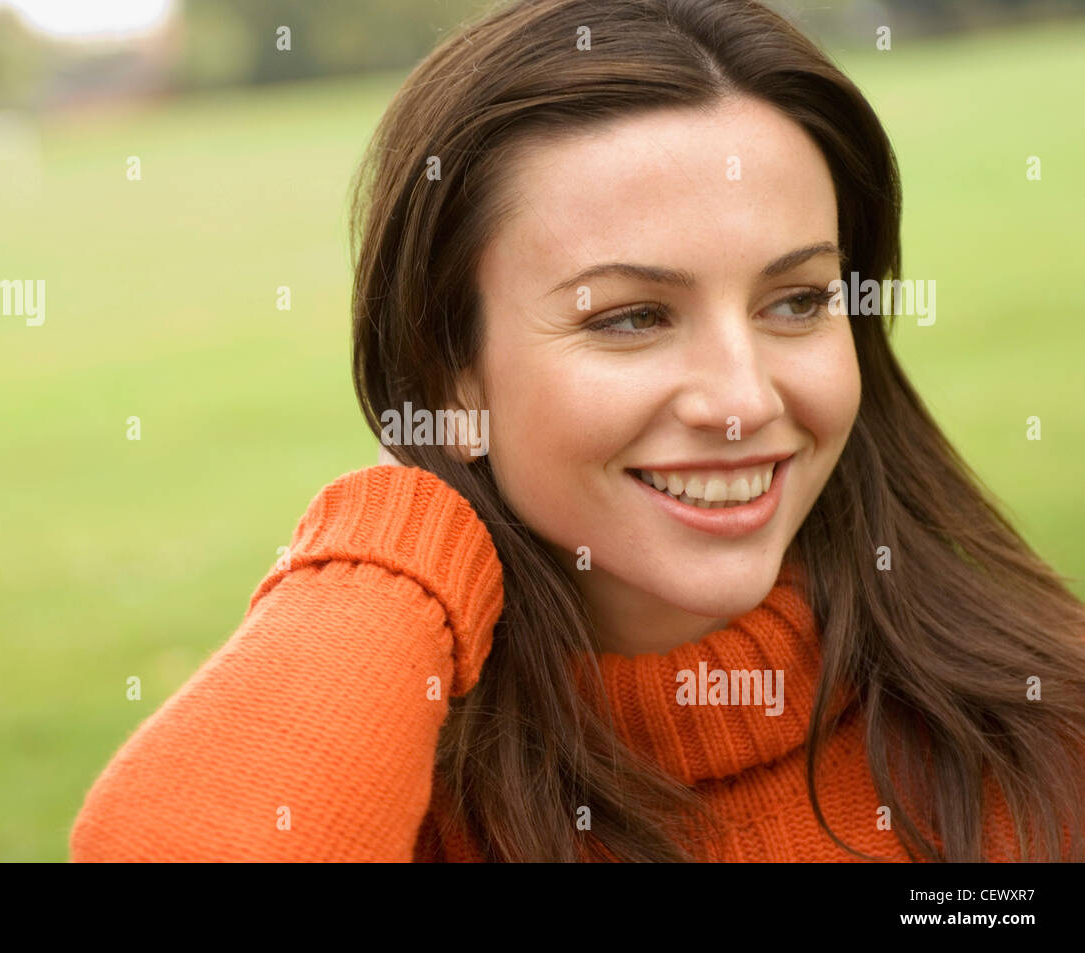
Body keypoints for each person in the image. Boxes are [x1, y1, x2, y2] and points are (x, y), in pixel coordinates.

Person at [69, 0, 1085, 862]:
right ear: (444, 365)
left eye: (795, 301)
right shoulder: (399, 798)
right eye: (631, 317)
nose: (741, 399)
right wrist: (407, 522)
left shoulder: (1041, 736)